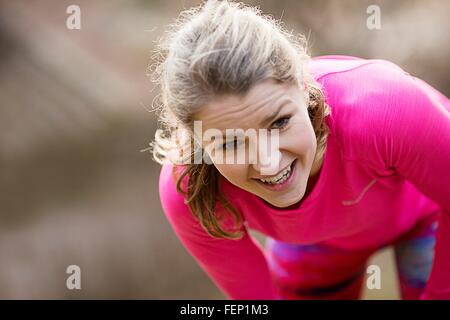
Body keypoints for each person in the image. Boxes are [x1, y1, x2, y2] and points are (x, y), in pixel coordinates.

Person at [151, 0, 450, 299]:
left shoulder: (385, 110)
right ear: (198, 142)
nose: (269, 164)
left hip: (432, 213)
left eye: (280, 122)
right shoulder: (190, 189)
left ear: (305, 87)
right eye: (230, 143)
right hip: (315, 244)